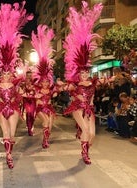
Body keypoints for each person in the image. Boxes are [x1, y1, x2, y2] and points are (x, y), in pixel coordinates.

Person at [0, 1, 33, 169]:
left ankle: (10, 150)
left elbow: (23, 94)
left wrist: (30, 95)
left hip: (13, 108)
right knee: (5, 133)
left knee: (12, 135)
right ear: (1, 72)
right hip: (1, 108)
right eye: (4, 72)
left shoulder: (16, 83)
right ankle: (8, 155)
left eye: (8, 72)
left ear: (11, 72)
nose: (6, 74)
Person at [63, 1, 103, 165]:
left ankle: (84, 148)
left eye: (87, 71)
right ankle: (85, 154)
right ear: (79, 73)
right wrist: (67, 88)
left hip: (89, 109)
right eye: (82, 72)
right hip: (77, 108)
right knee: (86, 130)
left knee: (92, 134)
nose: (85, 74)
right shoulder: (75, 83)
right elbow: (68, 89)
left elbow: (92, 98)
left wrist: (91, 106)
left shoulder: (93, 83)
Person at [30, 24, 56, 147]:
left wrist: (59, 88)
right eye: (43, 82)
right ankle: (45, 142)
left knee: (49, 126)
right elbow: (32, 94)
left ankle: (45, 138)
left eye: (47, 81)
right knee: (45, 121)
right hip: (40, 108)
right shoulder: (37, 89)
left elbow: (57, 91)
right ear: (40, 82)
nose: (45, 83)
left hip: (49, 108)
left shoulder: (51, 89)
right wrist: (35, 95)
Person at [21, 71, 37, 136]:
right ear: (26, 75)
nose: (29, 76)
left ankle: (31, 124)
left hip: (33, 100)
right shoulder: (23, 83)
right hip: (26, 100)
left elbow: (37, 90)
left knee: (32, 114)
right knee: (28, 113)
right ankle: (29, 129)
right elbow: (21, 91)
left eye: (31, 75)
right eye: (28, 75)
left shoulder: (35, 82)